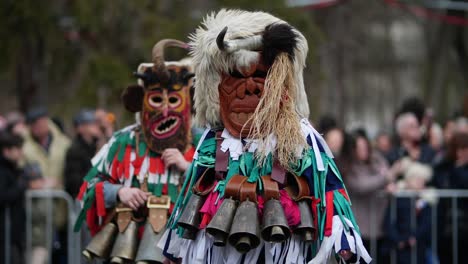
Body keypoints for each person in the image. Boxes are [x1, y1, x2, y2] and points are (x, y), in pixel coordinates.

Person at [161, 9, 371, 263]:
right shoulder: (214, 138)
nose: (249, 87)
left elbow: (329, 189)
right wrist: (173, 252)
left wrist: (343, 240)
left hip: (279, 250)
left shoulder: (300, 136)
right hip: (219, 251)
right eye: (237, 76)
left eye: (259, 76)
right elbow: (191, 191)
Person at [75, 40, 195, 264]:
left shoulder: (202, 142)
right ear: (141, 102)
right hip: (130, 251)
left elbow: (220, 191)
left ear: (189, 101)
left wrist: (189, 167)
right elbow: (88, 189)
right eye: (157, 99)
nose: (165, 109)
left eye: (174, 100)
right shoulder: (123, 141)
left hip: (184, 253)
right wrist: (120, 192)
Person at [22, 107, 71, 264]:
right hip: (37, 211)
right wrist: (34, 184)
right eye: (34, 124)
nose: (39, 127)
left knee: (63, 252)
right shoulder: (24, 147)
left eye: (41, 123)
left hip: (63, 207)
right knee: (39, 252)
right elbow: (20, 172)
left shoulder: (63, 143)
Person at [342, 130, 394, 263]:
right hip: (361, 227)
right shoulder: (349, 168)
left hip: (380, 225)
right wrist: (383, 179)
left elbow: (386, 170)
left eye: (365, 147)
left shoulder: (375, 160)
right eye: (359, 148)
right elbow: (362, 185)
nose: (363, 151)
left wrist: (384, 177)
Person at [383, 161, 436, 264]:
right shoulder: (399, 198)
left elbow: (426, 224)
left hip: (418, 245)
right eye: (417, 178)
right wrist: (399, 239)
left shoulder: (426, 200)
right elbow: (388, 221)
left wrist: (412, 237)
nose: (420, 182)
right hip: (399, 246)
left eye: (422, 179)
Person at [433, 132, 468, 263]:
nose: (464, 153)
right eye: (461, 149)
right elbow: (440, 182)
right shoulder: (444, 166)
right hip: (446, 228)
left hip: (464, 227)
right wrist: (457, 168)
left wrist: (460, 169)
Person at [0, 132, 27, 264]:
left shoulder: (14, 169)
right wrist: (21, 187)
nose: (21, 153)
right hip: (6, 233)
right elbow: (3, 196)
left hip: (14, 232)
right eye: (18, 149)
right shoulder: (3, 172)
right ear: (6, 151)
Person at [64, 109, 102, 198]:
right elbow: (75, 183)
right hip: (83, 198)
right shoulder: (74, 150)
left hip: (96, 194)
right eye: (90, 123)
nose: (95, 127)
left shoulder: (96, 144)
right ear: (80, 128)